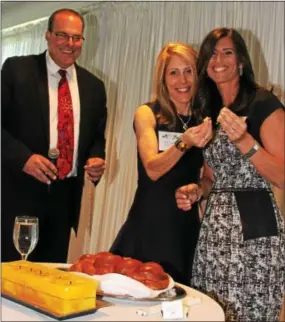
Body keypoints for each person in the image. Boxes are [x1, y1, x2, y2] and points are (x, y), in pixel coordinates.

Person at [175, 27, 285, 320]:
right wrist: (198, 190)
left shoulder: (263, 103)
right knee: (213, 309)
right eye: (211, 53)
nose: (218, 59)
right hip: (215, 229)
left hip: (255, 224)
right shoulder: (207, 111)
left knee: (251, 310)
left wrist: (246, 142)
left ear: (240, 62)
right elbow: (212, 177)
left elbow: (283, 176)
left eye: (227, 52)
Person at [1, 9, 107, 263]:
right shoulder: (17, 70)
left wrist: (96, 159)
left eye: (77, 38)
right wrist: (24, 158)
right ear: (47, 35)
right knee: (10, 281)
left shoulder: (94, 86)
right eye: (62, 35)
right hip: (19, 196)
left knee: (48, 282)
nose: (70, 44)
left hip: (64, 200)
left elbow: (96, 138)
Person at [110, 42, 212, 285]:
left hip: (184, 228)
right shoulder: (147, 114)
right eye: (173, 73)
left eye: (188, 71)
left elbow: (209, 178)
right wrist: (184, 142)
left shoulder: (204, 120)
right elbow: (152, 169)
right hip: (148, 222)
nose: (182, 80)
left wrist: (198, 190)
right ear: (163, 79)